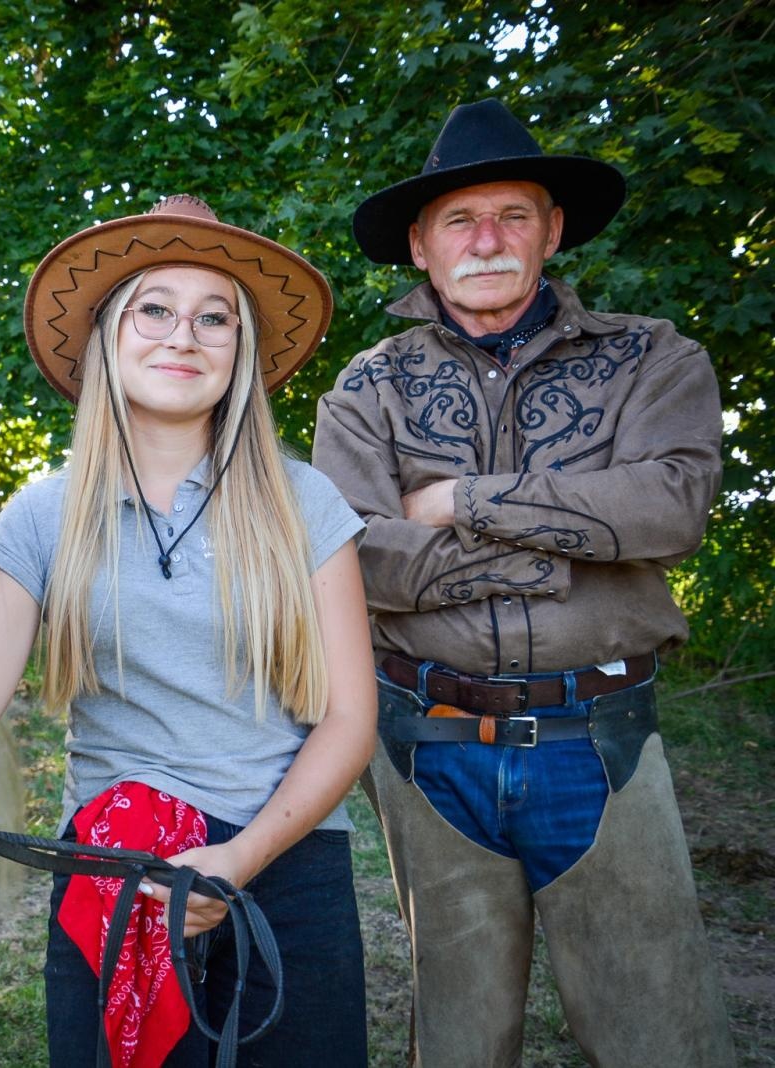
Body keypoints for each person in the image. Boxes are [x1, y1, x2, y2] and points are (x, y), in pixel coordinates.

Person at [0, 196, 375, 1066]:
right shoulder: (45, 512)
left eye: (213, 317)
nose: (183, 335)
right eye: (155, 309)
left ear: (241, 349)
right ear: (109, 334)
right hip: (115, 874)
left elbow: (348, 720)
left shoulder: (305, 505)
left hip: (287, 867)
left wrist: (240, 858)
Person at [312, 98, 735, 1066]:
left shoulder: (653, 359)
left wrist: (459, 497)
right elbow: (357, 560)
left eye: (512, 215)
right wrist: (577, 545)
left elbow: (669, 509)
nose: (486, 239)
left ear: (550, 230)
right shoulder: (368, 386)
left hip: (601, 736)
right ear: (421, 246)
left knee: (655, 1026)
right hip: (429, 739)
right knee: (458, 1030)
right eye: (459, 220)